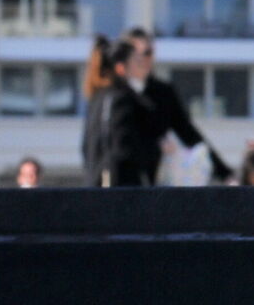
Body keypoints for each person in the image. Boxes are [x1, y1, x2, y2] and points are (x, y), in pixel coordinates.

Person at [79, 30, 231, 188]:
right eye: (139, 56)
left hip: (108, 187)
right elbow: (121, 150)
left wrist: (225, 173)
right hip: (120, 190)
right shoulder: (120, 98)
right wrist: (157, 147)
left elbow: (189, 133)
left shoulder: (153, 94)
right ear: (122, 67)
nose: (145, 61)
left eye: (149, 53)